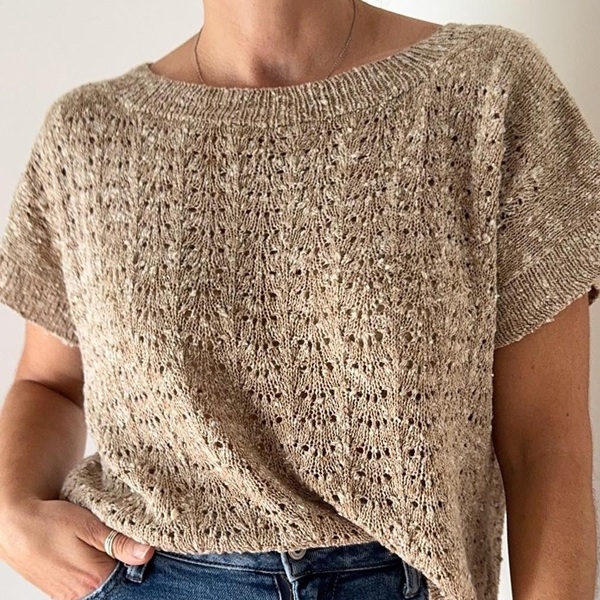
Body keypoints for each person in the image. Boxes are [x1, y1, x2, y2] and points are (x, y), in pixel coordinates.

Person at [0, 1, 599, 599]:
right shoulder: (89, 137)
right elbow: (50, 383)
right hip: (151, 574)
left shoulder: (489, 88)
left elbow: (543, 446)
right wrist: (9, 509)